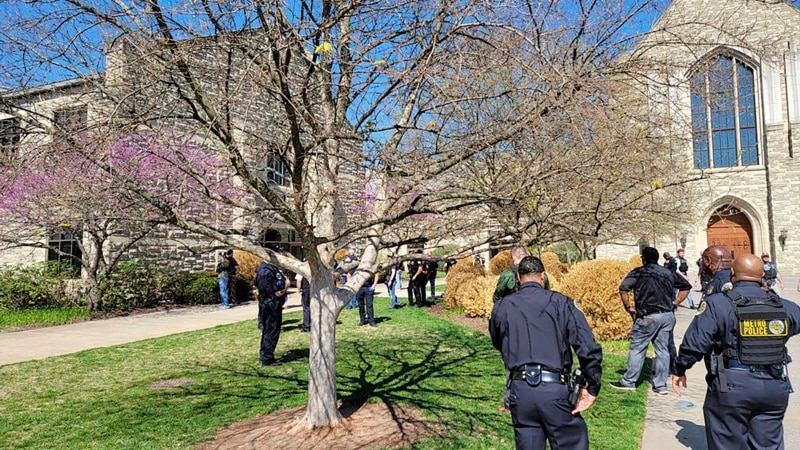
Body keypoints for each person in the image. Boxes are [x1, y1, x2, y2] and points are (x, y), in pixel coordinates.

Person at [672, 253, 800, 449]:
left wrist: (680, 369)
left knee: (728, 443)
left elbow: (696, 343)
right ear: (762, 275)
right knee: (768, 445)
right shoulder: (785, 306)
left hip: (733, 385)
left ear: (732, 273)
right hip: (774, 385)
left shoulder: (718, 303)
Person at [489, 256, 603, 450]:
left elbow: (498, 341)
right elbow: (587, 347)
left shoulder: (502, 306)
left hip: (520, 390)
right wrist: (592, 386)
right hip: (554, 390)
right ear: (542, 276)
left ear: (518, 277)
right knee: (570, 443)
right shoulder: (562, 304)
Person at [611, 246, 691, 394]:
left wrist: (628, 307)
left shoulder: (639, 272)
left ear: (643, 258)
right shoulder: (668, 272)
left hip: (647, 316)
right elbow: (686, 286)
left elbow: (623, 289)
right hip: (667, 315)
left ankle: (629, 381)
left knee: (638, 348)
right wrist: (676, 302)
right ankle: (660, 385)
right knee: (662, 350)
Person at [255, 259, 287, 366]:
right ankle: (266, 358)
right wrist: (286, 285)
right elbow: (276, 293)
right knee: (271, 331)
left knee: (270, 330)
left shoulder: (267, 268)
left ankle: (267, 355)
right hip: (271, 305)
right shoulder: (266, 270)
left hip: (270, 304)